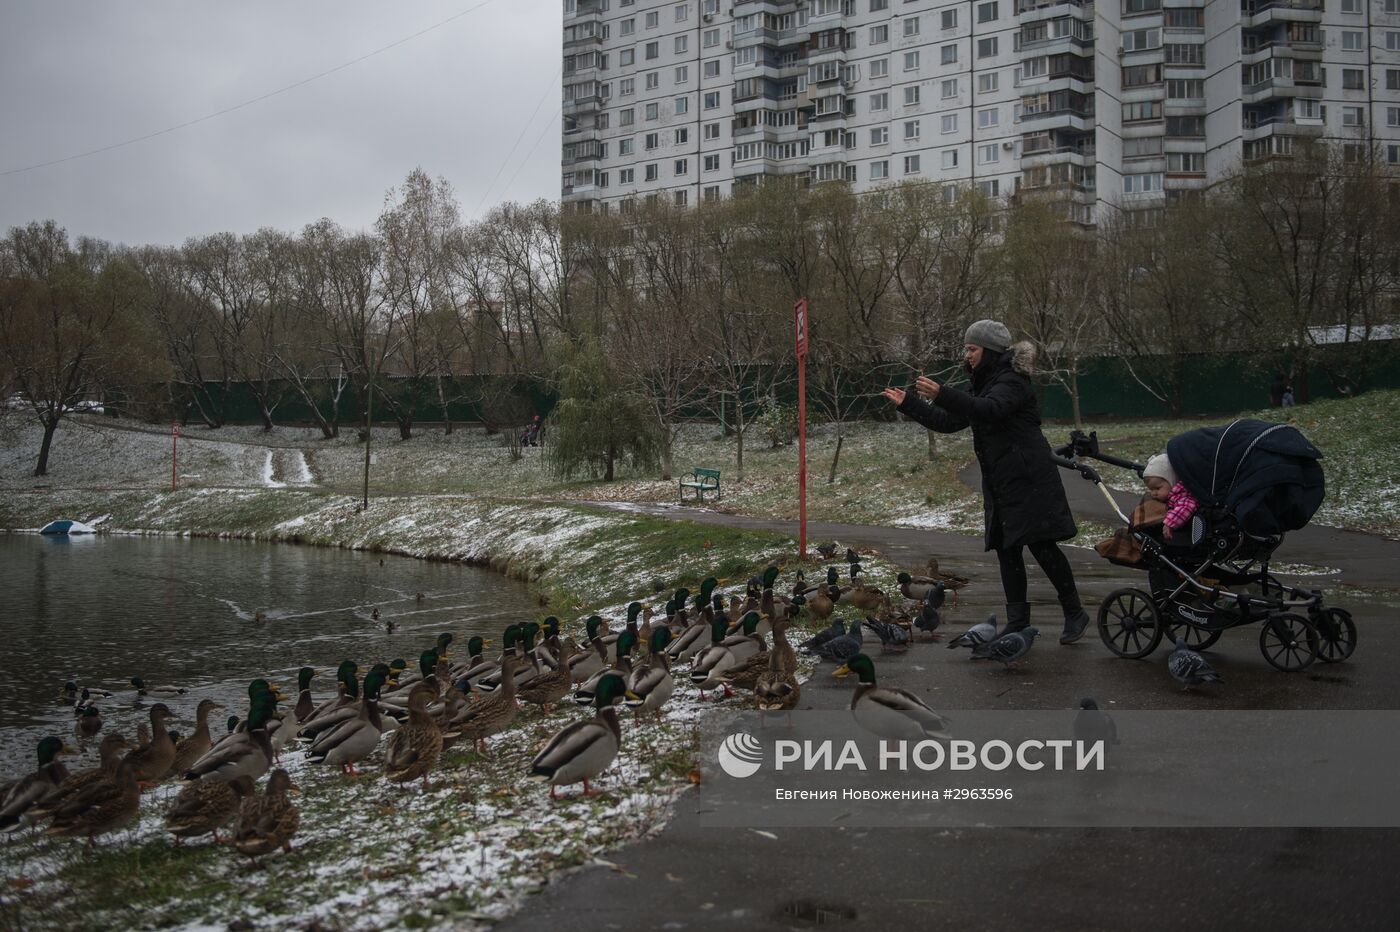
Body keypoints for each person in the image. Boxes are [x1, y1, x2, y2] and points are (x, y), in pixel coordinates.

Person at [881, 320, 1089, 644]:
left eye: (972, 349)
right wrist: (910, 404)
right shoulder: (982, 382)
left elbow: (989, 410)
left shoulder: (1012, 380)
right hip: (1001, 482)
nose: (968, 355)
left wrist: (943, 393)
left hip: (1029, 478)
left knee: (1042, 546)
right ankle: (1018, 621)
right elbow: (949, 422)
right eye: (966, 349)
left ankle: (1074, 611)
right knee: (1007, 550)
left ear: (990, 351)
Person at [1143, 453, 1198, 542]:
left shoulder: (1182, 495)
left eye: (1157, 488)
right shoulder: (1170, 494)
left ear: (1172, 481)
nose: (1153, 493)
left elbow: (1186, 507)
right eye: (1151, 489)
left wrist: (1170, 523)